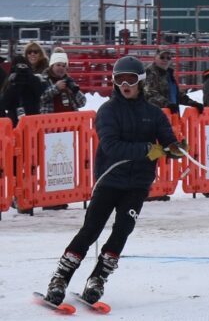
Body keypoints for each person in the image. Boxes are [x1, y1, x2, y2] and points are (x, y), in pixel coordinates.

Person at [43, 56, 185, 306]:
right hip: (110, 180)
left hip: (138, 183)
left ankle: (98, 278)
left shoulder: (153, 114)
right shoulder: (107, 111)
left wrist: (174, 148)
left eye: (130, 79)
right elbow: (111, 146)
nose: (125, 84)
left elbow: (167, 139)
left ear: (140, 80)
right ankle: (60, 279)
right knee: (91, 230)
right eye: (120, 79)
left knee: (122, 231)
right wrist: (148, 149)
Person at [143, 46, 204, 115]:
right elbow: (149, 94)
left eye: (168, 58)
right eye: (162, 57)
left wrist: (193, 103)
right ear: (155, 57)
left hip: (170, 117)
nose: (165, 60)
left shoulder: (168, 74)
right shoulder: (149, 73)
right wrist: (167, 104)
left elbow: (176, 94)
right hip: (154, 118)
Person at [0, 55, 44, 126]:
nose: (21, 70)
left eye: (23, 66)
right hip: (14, 122)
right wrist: (14, 85)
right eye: (18, 67)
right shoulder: (10, 80)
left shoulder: (34, 79)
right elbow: (4, 104)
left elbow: (40, 95)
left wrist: (30, 76)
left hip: (32, 120)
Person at [40, 49, 87, 114]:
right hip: (50, 121)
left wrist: (74, 92)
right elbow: (39, 99)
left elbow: (82, 103)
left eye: (64, 66)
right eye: (58, 65)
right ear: (51, 66)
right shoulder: (43, 79)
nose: (61, 68)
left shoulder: (68, 81)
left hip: (70, 121)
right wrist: (56, 88)